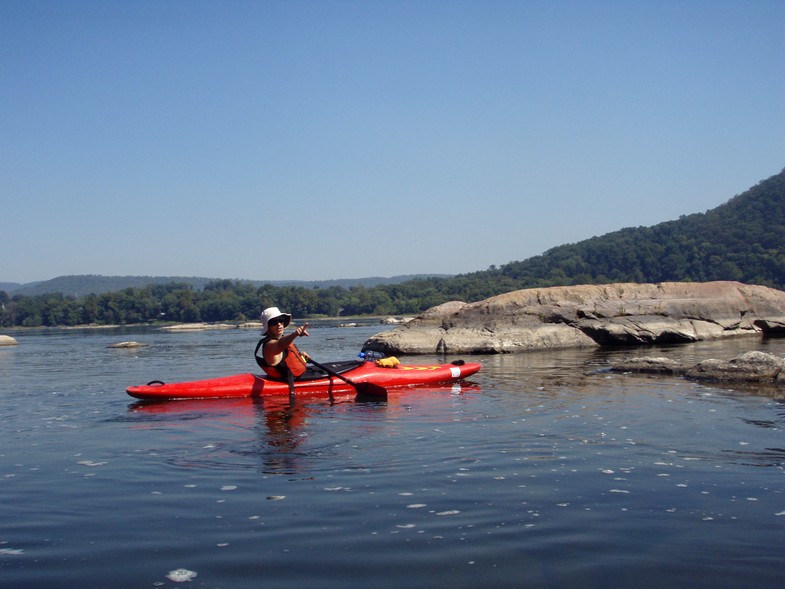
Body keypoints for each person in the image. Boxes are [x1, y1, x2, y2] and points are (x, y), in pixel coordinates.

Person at [254, 307, 312, 382]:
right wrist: (295, 334)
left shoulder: (281, 340)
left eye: (281, 320)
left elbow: (283, 351)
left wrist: (299, 356)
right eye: (274, 322)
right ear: (267, 327)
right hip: (290, 382)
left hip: (301, 375)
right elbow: (279, 344)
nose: (279, 324)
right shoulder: (269, 345)